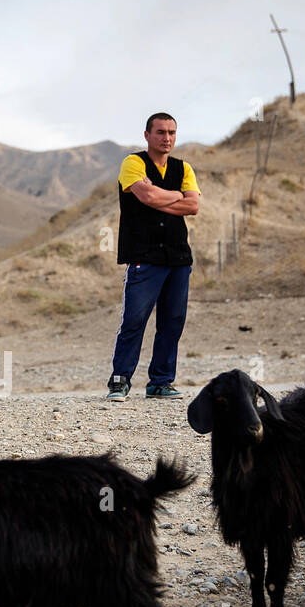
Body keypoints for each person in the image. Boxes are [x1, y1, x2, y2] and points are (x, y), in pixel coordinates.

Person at [106, 112, 201, 400]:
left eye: (172, 132)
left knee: (172, 321)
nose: (167, 138)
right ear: (147, 135)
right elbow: (146, 198)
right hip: (143, 256)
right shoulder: (133, 163)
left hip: (178, 257)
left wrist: (160, 195)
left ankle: (160, 382)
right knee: (134, 320)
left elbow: (193, 205)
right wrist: (175, 196)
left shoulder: (183, 168)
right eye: (160, 132)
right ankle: (120, 381)